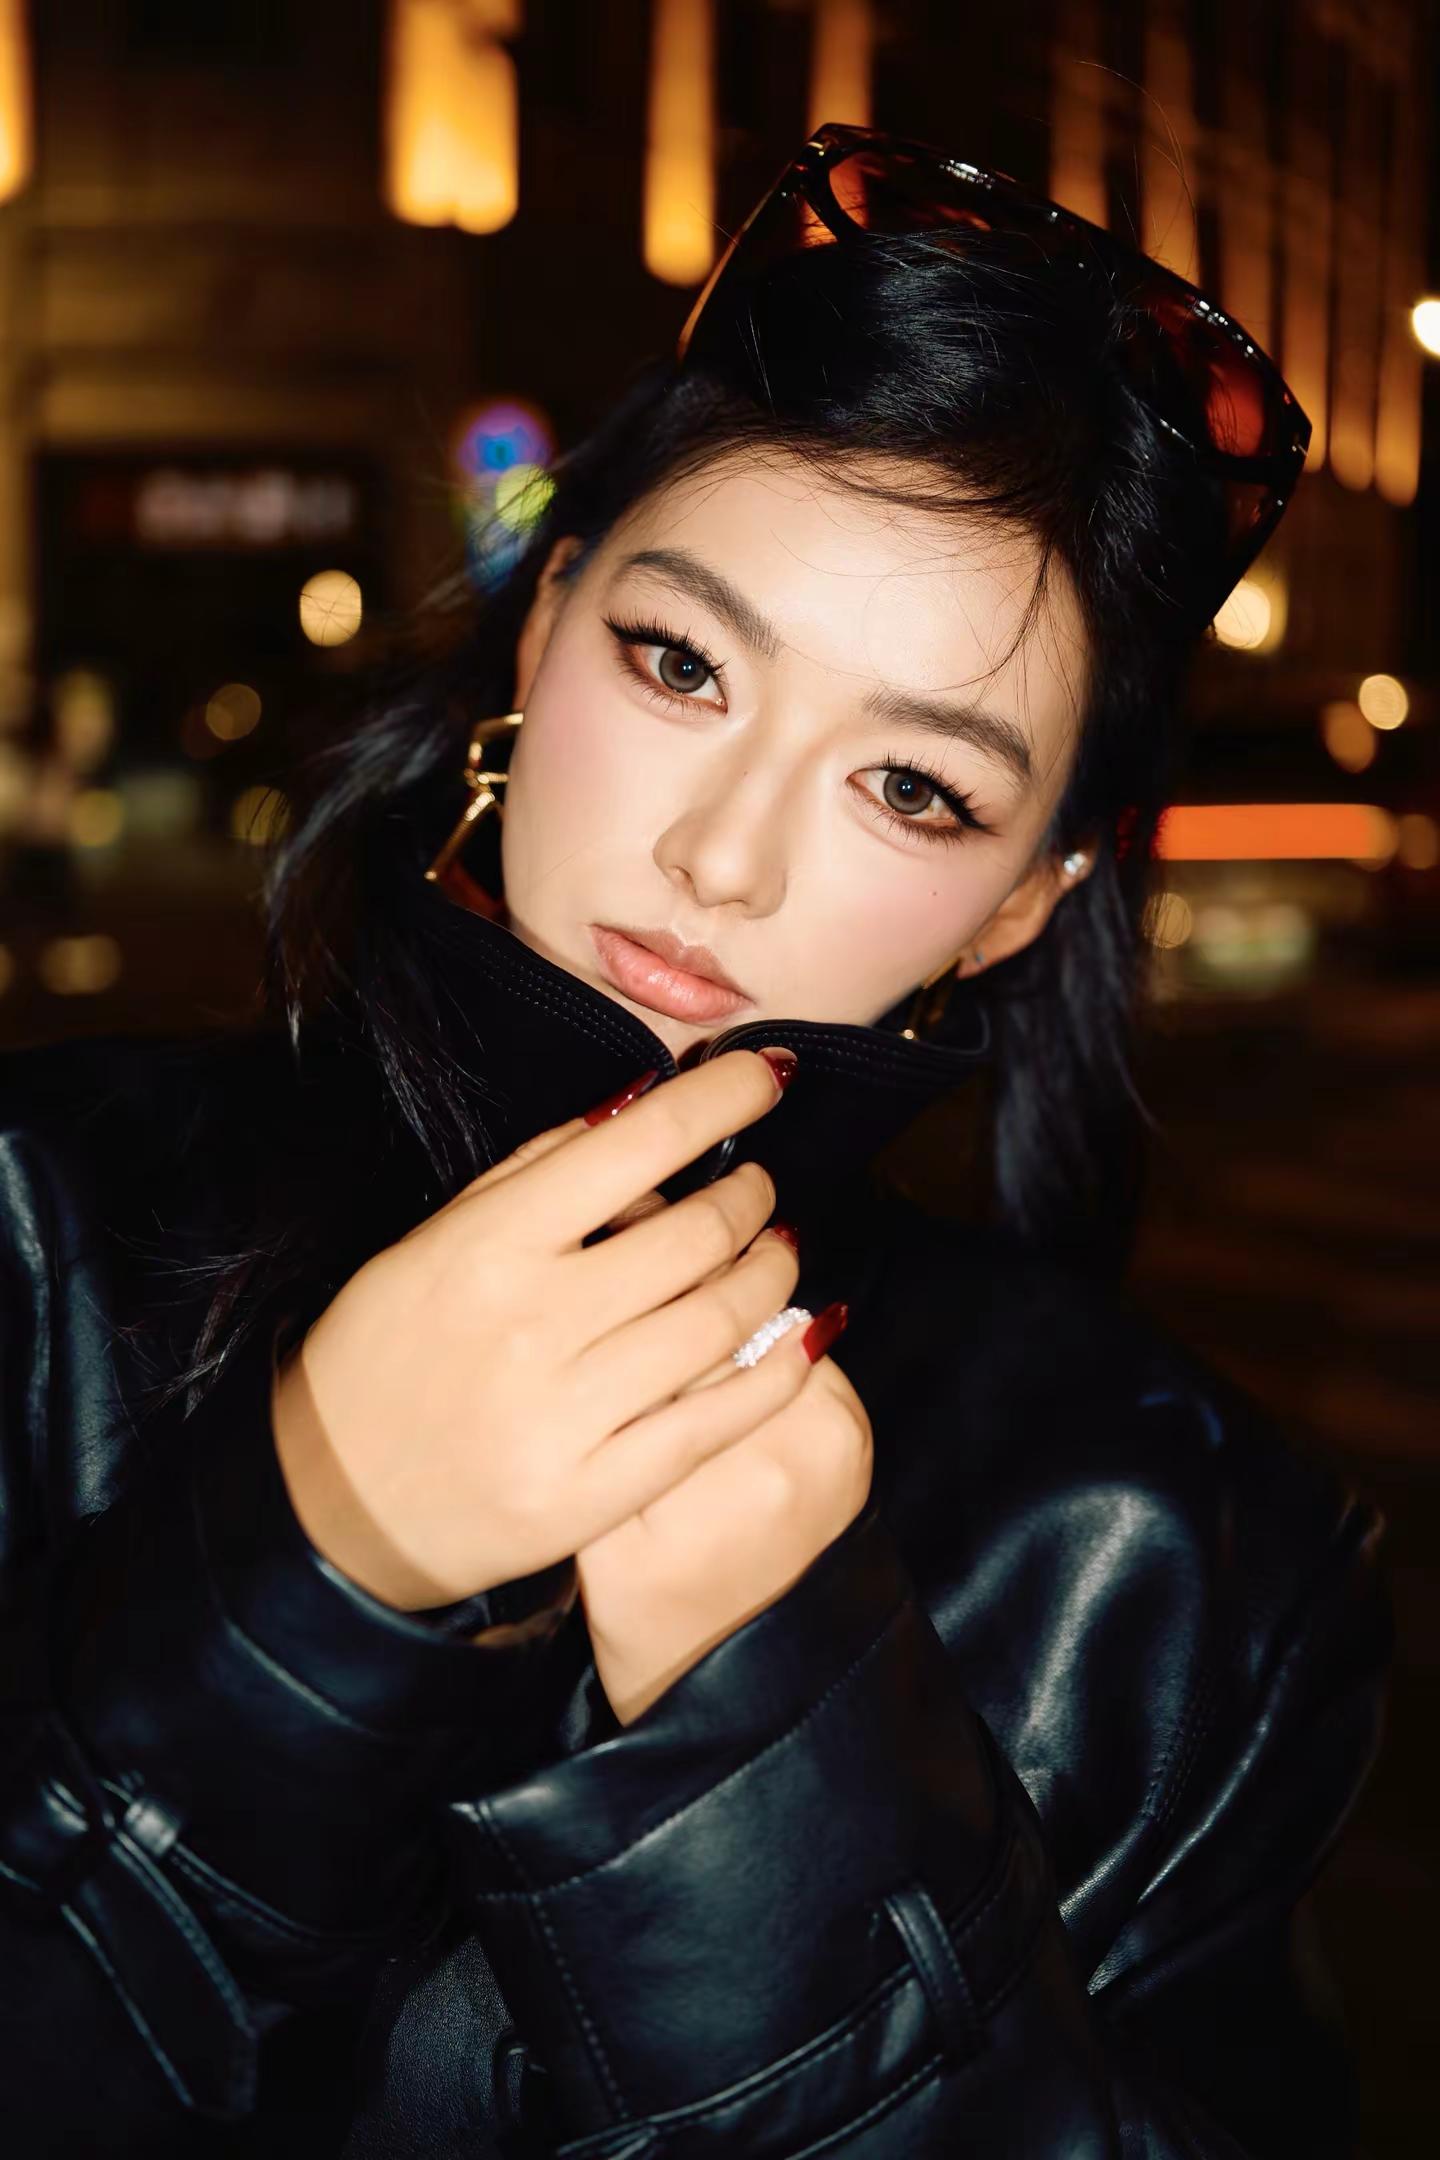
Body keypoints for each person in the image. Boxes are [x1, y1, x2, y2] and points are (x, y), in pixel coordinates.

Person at [0, 126, 1388, 2157]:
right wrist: (309, 1569)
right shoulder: (35, 1230)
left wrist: (780, 1744)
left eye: (912, 787)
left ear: (1027, 896)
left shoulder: (1169, 1559)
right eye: (681, 663)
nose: (721, 860)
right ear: (543, 624)